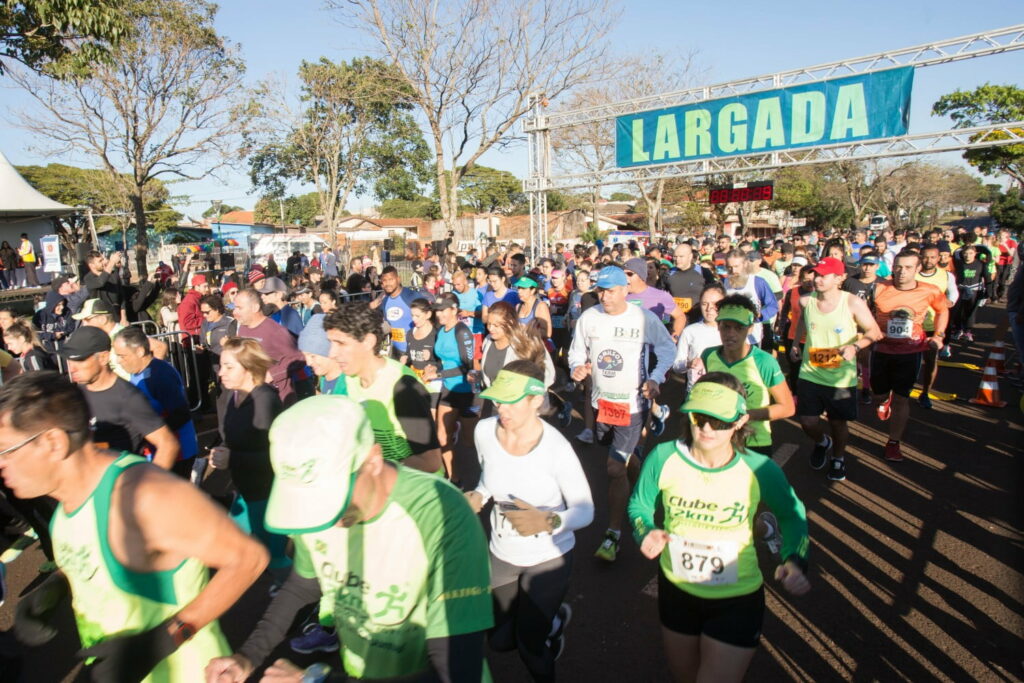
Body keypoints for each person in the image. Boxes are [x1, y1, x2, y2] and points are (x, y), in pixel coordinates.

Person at [204, 396, 493, 683]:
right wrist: (247, 657)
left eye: (333, 498)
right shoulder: (313, 510)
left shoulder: (441, 512)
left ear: (373, 462)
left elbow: (457, 672)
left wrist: (316, 681)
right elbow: (303, 584)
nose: (326, 520)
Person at [1, 371, 267, 682]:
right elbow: (98, 553)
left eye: (5, 450)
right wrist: (54, 589)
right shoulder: (67, 499)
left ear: (53, 442)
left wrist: (162, 641)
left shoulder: (144, 495)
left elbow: (249, 559)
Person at [628, 373, 810, 683]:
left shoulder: (759, 468)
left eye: (720, 421)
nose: (707, 429)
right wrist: (645, 530)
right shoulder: (663, 457)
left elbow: (793, 516)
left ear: (740, 421)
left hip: (736, 598)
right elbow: (639, 506)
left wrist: (793, 559)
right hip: (677, 591)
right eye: (699, 417)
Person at [467, 362, 594, 681]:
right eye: (497, 399)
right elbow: (490, 473)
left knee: (529, 647)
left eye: (511, 401)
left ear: (536, 399)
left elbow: (586, 510)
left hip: (548, 558)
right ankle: (552, 622)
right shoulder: (484, 431)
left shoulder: (556, 449)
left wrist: (546, 521)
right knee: (498, 642)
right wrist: (481, 494)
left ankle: (544, 634)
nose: (500, 407)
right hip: (502, 553)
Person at [567, 265, 675, 562]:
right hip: (602, 405)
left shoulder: (643, 318)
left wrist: (655, 378)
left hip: (633, 404)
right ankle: (645, 490)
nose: (605, 296)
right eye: (600, 290)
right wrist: (578, 366)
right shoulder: (589, 318)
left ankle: (613, 534)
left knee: (614, 468)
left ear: (625, 290)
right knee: (626, 463)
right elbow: (577, 351)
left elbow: (667, 350)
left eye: (611, 290)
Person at [322, 302, 443, 474]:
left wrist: (373, 472)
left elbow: (430, 461)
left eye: (341, 343)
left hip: (415, 493)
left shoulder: (403, 388)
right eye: (331, 343)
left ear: (368, 341)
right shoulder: (350, 378)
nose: (331, 353)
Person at [790, 257, 882, 482]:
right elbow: (802, 320)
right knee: (807, 422)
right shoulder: (806, 301)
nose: (817, 279)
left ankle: (838, 458)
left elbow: (875, 331)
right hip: (810, 372)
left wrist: (855, 346)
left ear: (839, 278)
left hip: (841, 377)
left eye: (823, 275)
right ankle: (823, 443)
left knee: (837, 422)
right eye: (816, 274)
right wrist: (795, 343)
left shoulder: (851, 303)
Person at [214, 337, 291, 576]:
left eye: (229, 367)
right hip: (244, 489)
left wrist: (232, 458)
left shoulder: (264, 400)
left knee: (274, 558)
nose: (221, 374)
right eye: (221, 366)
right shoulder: (232, 395)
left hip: (267, 492)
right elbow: (233, 438)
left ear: (248, 369)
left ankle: (299, 602)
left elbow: (274, 457)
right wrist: (223, 450)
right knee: (232, 546)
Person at [61, 326, 180, 469]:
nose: (72, 368)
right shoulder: (78, 392)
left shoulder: (127, 398)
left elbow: (168, 444)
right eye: (70, 361)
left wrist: (148, 487)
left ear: (104, 358)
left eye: (80, 360)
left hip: (122, 485)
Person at [871, 251, 948, 462]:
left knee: (902, 399)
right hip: (881, 351)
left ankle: (893, 442)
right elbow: (864, 312)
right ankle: (883, 400)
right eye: (898, 267)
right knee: (878, 395)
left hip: (910, 352)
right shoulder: (878, 288)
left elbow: (943, 310)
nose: (901, 272)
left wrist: (939, 335)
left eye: (907, 268)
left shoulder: (929, 290)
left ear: (917, 269)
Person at [701, 295, 794, 458]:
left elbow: (787, 408)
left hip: (754, 442)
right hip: (718, 440)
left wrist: (747, 416)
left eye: (739, 327)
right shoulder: (708, 355)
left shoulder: (764, 362)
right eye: (725, 327)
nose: (731, 334)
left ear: (750, 328)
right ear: (718, 326)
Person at [113, 326, 200, 480]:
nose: (119, 361)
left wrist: (147, 434)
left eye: (122, 356)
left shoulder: (160, 375)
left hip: (177, 452)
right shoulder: (137, 372)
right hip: (157, 450)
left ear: (140, 351)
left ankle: (222, 500)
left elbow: (181, 414)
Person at [428, 293, 477, 482]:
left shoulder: (462, 332)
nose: (439, 315)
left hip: (467, 391)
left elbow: (467, 367)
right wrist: (435, 367)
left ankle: (482, 474)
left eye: (443, 310)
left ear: (454, 310)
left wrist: (438, 374)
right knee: (442, 435)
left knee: (469, 441)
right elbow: (442, 360)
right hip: (448, 390)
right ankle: (453, 477)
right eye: (437, 311)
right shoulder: (441, 330)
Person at [232, 288, 309, 406]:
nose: (235, 312)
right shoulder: (243, 329)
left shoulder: (275, 331)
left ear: (255, 308)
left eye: (239, 308)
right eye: (235, 307)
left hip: (278, 399)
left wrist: (272, 374)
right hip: (252, 397)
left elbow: (299, 358)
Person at [480, 301, 556, 417]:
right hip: (497, 406)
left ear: (510, 323)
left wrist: (531, 400)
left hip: (522, 411)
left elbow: (548, 373)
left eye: (496, 325)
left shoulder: (527, 342)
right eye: (489, 324)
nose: (491, 328)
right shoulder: (488, 341)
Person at [916, 244, 958, 406]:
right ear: (920, 257)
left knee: (931, 360)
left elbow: (953, 293)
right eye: (925, 257)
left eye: (932, 257)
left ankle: (925, 392)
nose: (928, 260)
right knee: (908, 362)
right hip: (913, 325)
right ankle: (901, 392)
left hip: (934, 325)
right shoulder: (912, 274)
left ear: (939, 258)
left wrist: (950, 301)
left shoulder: (946, 276)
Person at [672, 284, 724, 389]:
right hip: (696, 392)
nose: (709, 308)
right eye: (705, 304)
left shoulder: (731, 331)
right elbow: (676, 366)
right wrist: (689, 363)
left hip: (723, 391)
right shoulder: (690, 331)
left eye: (715, 304)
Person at [722, 250, 778, 345]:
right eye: (729, 267)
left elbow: (772, 306)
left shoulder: (757, 282)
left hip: (752, 337)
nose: (733, 271)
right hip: (729, 336)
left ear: (745, 264)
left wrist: (758, 316)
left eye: (736, 266)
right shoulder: (723, 283)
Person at [624, 257, 685, 339]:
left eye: (630, 274)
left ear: (641, 276)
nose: (625, 277)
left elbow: (680, 316)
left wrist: (674, 337)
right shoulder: (619, 295)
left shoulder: (661, 295)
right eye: (623, 274)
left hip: (652, 349)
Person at [372, 265, 421, 363]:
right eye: (384, 281)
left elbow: (428, 317)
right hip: (396, 351)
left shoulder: (411, 296)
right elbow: (387, 325)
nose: (388, 283)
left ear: (398, 279)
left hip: (414, 350)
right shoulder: (384, 301)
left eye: (391, 279)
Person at [667, 242, 715, 325]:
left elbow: (714, 294)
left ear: (690, 257)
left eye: (681, 256)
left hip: (698, 320)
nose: (677, 259)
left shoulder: (703, 272)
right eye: (675, 256)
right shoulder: (668, 274)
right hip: (675, 321)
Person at [82, 251, 127, 325]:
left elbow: (122, 297)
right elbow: (101, 282)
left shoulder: (113, 275)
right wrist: (111, 262)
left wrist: (124, 317)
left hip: (115, 316)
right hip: (99, 318)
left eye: (103, 259)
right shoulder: (88, 278)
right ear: (91, 265)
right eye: (100, 261)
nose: (103, 262)